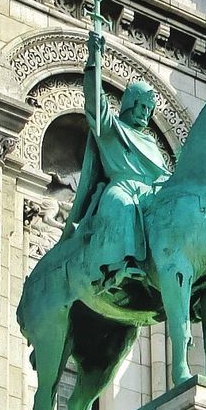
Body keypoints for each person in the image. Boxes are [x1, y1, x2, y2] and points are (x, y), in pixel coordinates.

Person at [61, 30, 170, 291]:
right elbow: (95, 105)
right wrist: (94, 61)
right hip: (122, 188)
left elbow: (164, 175)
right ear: (130, 104)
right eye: (141, 106)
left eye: (149, 109)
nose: (145, 114)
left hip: (151, 193)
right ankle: (119, 267)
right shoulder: (112, 130)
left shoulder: (152, 143)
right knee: (123, 205)